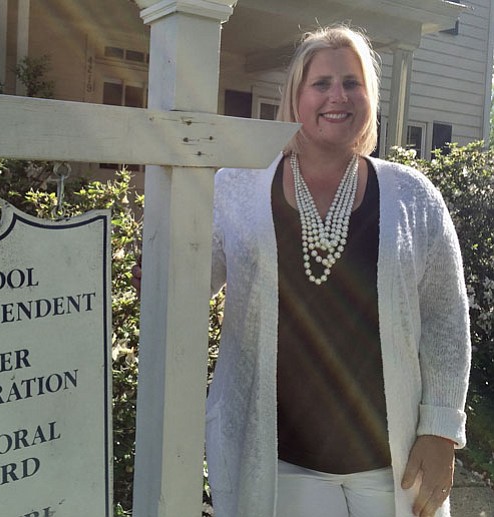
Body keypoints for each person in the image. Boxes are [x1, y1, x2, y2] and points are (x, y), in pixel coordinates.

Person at [131, 24, 470, 517]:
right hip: (279, 465)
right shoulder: (239, 187)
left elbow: (445, 317)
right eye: (322, 83)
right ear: (295, 97)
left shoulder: (413, 197)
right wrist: (161, 277)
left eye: (352, 83)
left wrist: (441, 431)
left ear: (370, 97)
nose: (339, 96)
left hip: (392, 466)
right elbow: (194, 279)